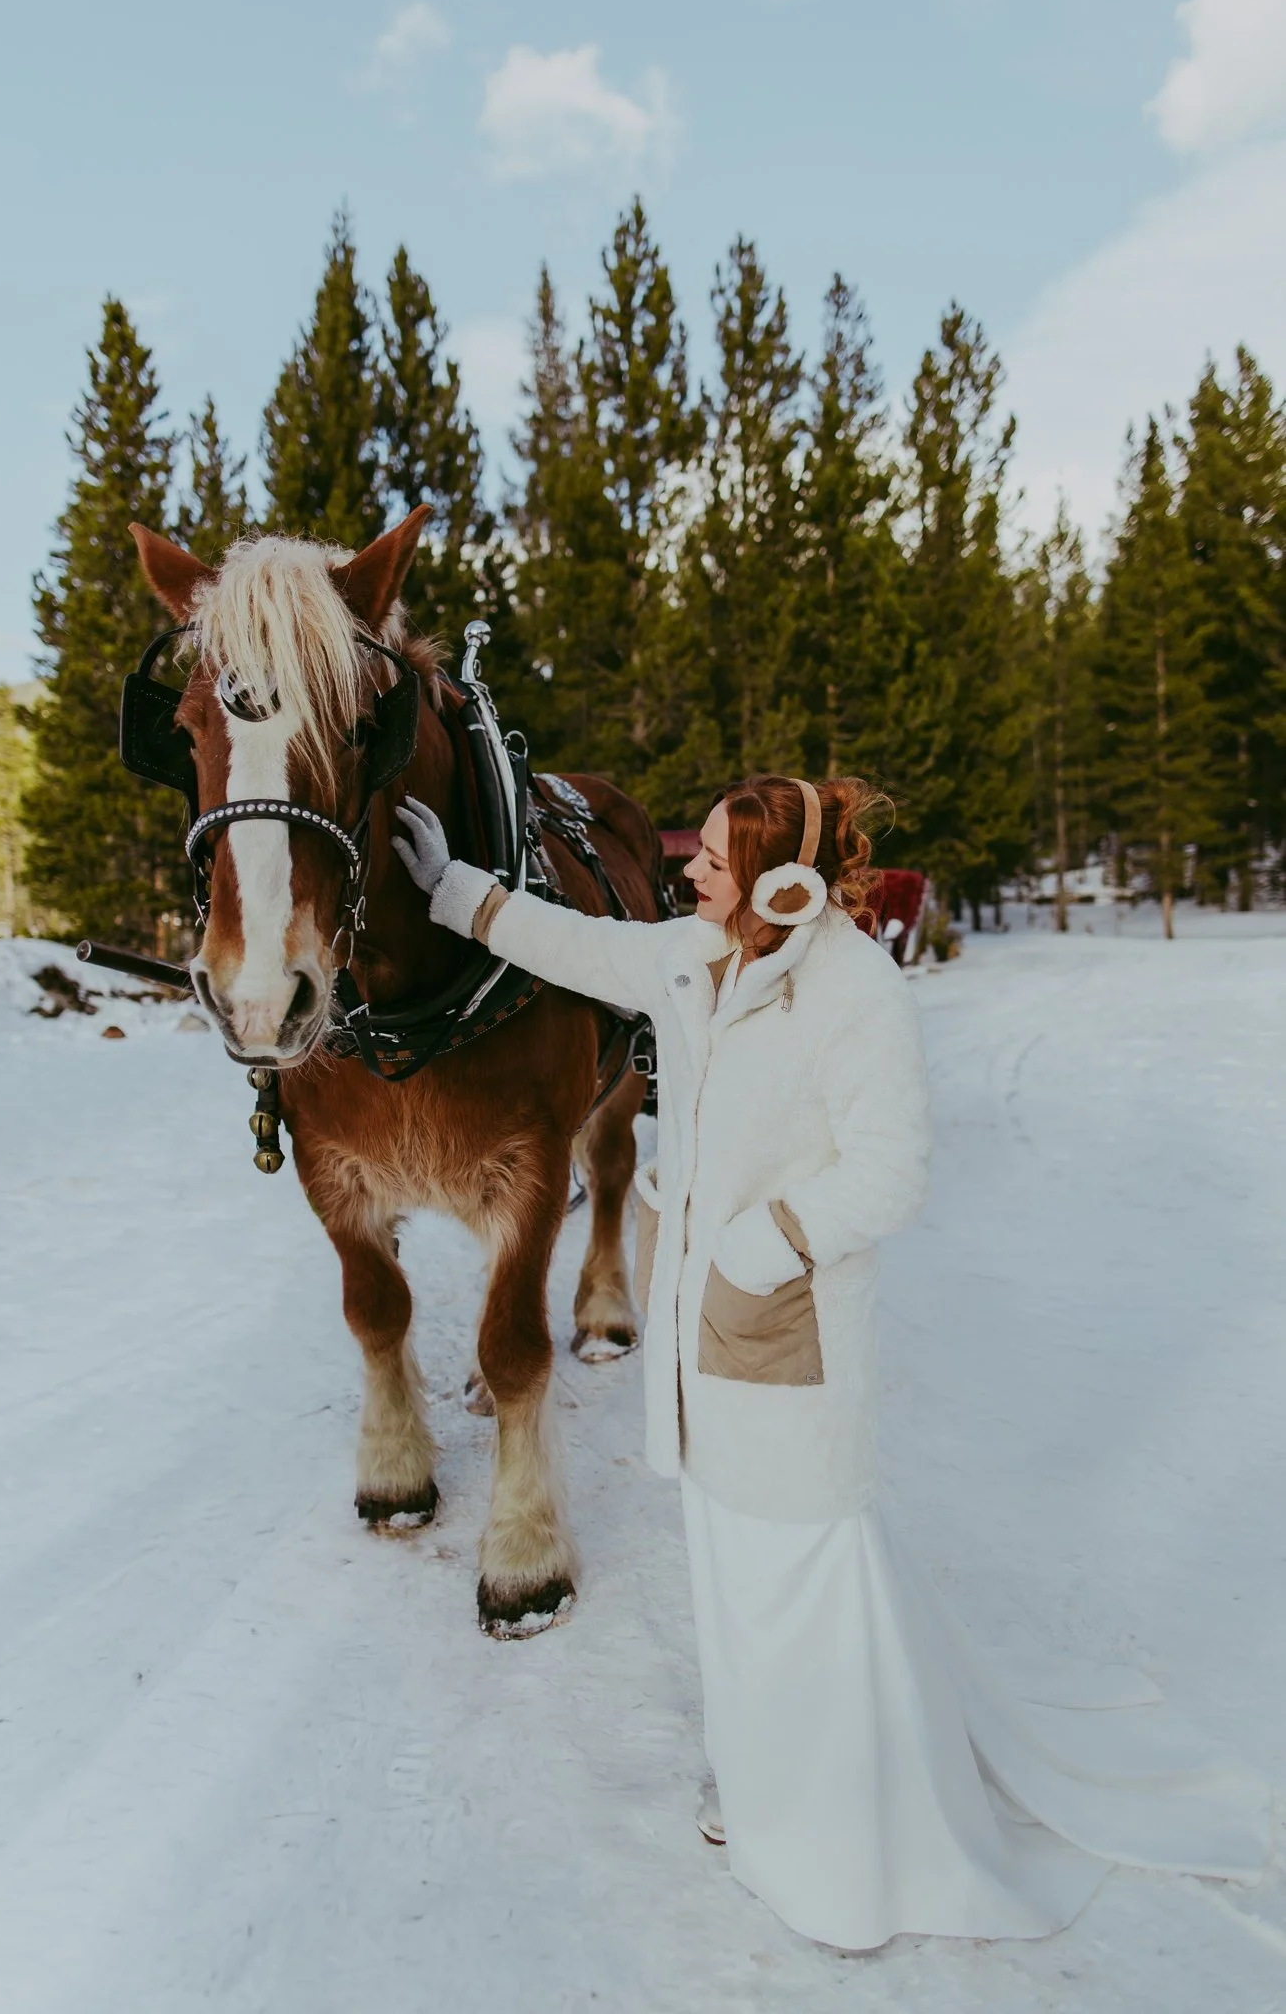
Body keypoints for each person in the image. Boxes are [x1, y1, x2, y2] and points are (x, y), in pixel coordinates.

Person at [394, 773, 1270, 1953]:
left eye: (713, 857)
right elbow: (577, 943)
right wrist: (452, 887)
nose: (688, 869)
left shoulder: (854, 988)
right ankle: (757, 1780)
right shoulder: (694, 955)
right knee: (728, 1572)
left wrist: (759, 1248)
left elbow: (891, 1168)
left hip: (782, 1328)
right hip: (702, 1332)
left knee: (796, 1576)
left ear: (780, 880)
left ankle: (837, 1842)